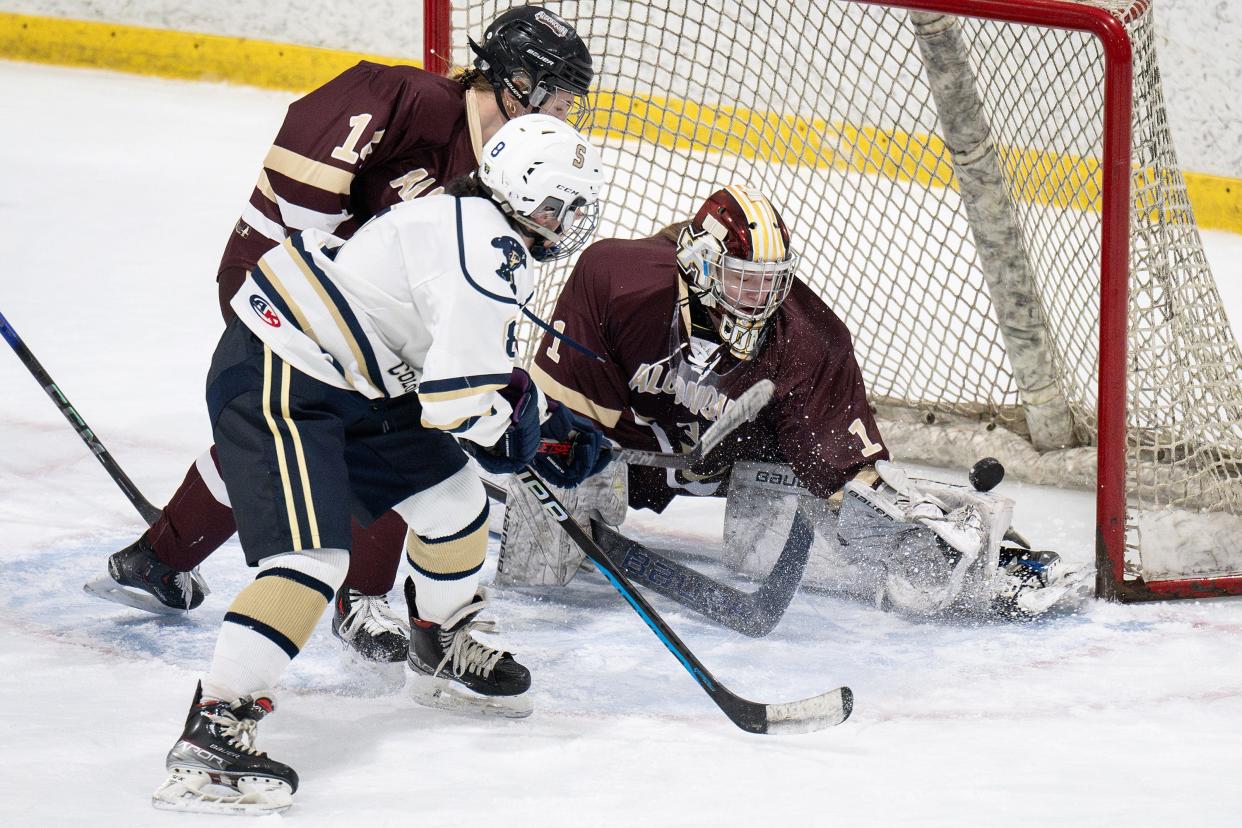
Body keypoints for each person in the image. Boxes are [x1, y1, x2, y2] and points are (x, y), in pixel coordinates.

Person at [85, 5, 596, 666]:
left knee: (300, 435)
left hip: (350, 315)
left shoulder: (506, 165)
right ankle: (360, 596)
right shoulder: (403, 98)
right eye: (557, 94)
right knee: (370, 427)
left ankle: (156, 556)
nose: (562, 111)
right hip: (281, 279)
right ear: (517, 81)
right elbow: (302, 196)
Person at [150, 114, 609, 816]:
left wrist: (535, 424)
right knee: (312, 563)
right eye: (559, 204)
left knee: (455, 503)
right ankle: (215, 727)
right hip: (286, 369)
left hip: (356, 377)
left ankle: (440, 643)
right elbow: (462, 406)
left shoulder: (467, 214)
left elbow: (448, 360)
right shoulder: (489, 252)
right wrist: (513, 439)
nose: (567, 219)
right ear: (520, 193)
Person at [496, 184, 1070, 620]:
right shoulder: (616, 280)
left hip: (738, 461)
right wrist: (568, 461)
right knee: (539, 574)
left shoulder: (809, 339)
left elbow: (842, 469)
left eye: (772, 281)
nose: (762, 298)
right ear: (697, 264)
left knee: (771, 549)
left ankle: (974, 547)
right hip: (622, 450)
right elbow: (563, 413)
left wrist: (894, 523)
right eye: (744, 280)